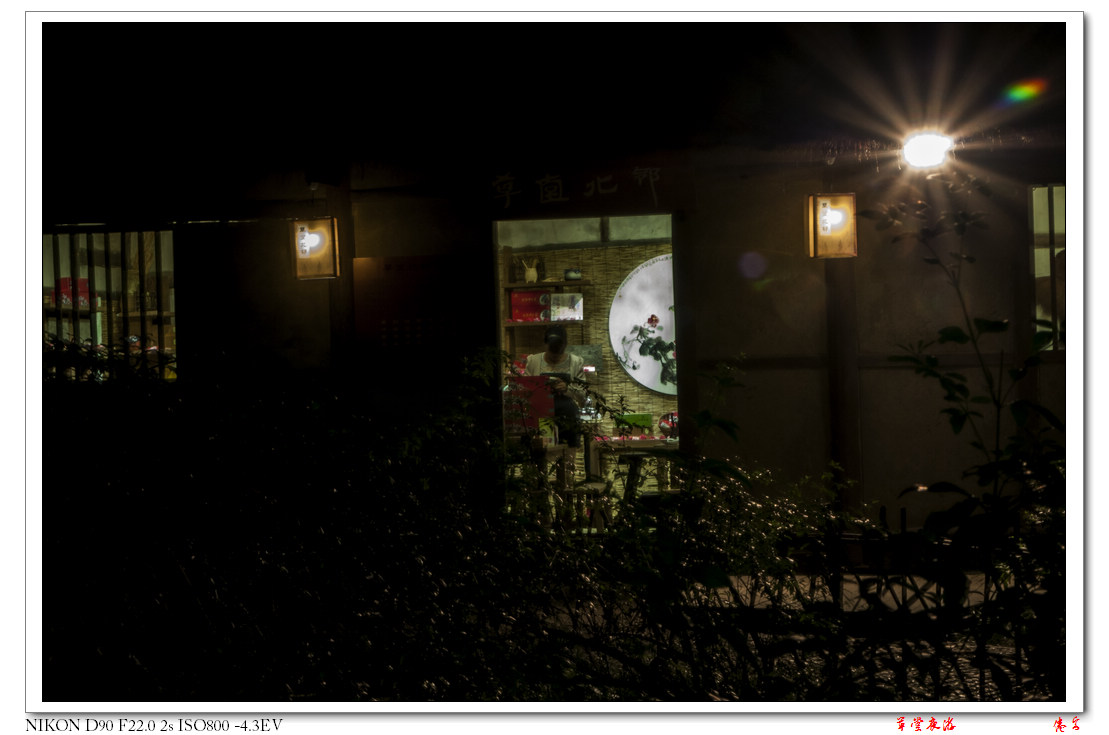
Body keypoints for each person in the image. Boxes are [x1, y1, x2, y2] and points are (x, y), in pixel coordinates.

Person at [524, 323, 585, 446]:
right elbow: (524, 391)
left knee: (568, 452)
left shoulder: (575, 362)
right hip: (541, 416)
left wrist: (567, 389)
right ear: (545, 345)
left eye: (559, 352)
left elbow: (583, 394)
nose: (555, 356)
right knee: (544, 450)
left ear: (565, 345)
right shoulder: (533, 361)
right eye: (552, 351)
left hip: (568, 418)